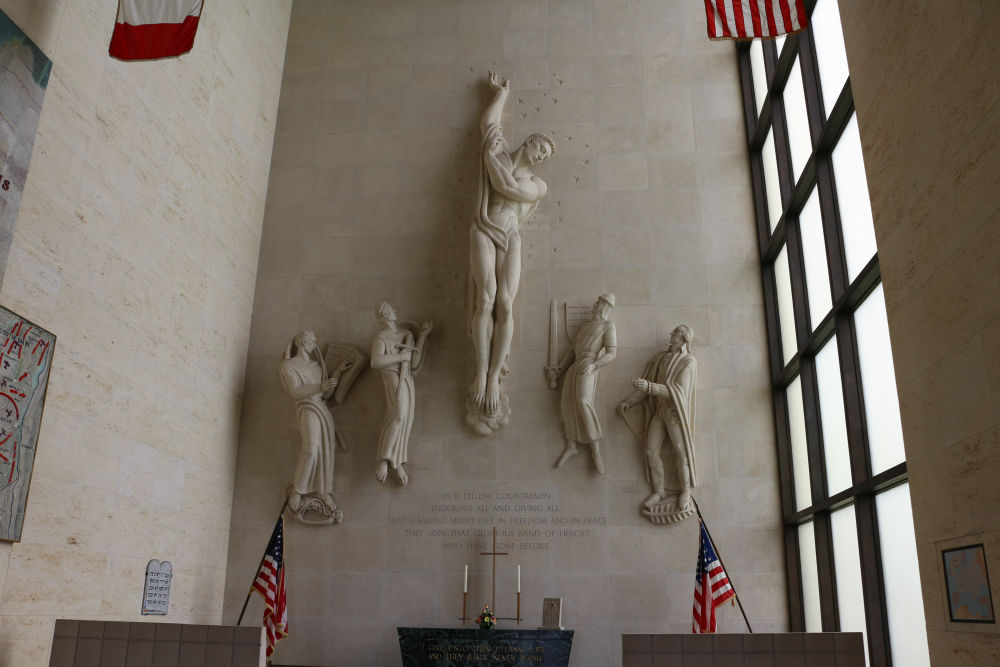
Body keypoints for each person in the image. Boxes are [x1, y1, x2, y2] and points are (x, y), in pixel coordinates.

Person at [469, 71, 555, 420]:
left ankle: (494, 378)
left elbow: (506, 187)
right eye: (541, 148)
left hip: (510, 235)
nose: (541, 157)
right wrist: (501, 95)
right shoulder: (500, 150)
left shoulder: (537, 184)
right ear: (531, 140)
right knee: (485, 298)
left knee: (505, 303)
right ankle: (480, 370)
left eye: (546, 156)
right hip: (483, 229)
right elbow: (487, 125)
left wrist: (490, 159)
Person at [617, 325, 698, 511]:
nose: (671, 334)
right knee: (650, 452)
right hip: (659, 412)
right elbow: (647, 388)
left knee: (681, 452)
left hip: (674, 413)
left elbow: (679, 391)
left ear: (684, 337)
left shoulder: (688, 361)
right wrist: (629, 401)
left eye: (675, 332)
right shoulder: (660, 359)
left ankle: (685, 490)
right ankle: (658, 491)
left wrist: (649, 387)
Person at [279, 331, 352, 520]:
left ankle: (323, 490)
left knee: (325, 452)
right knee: (311, 449)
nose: (314, 345)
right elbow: (295, 392)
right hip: (307, 407)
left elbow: (325, 395)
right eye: (311, 342)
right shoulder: (289, 365)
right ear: (302, 342)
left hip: (321, 408)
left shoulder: (316, 367)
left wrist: (337, 373)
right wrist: (320, 387)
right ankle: (298, 490)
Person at [546, 294, 617, 474]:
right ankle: (571, 445)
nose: (595, 304)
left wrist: (594, 365)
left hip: (589, 364)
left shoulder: (608, 326)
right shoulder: (585, 326)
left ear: (605, 305)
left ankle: (595, 452)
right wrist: (559, 369)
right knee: (568, 405)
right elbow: (572, 350)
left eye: (599, 302)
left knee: (584, 402)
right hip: (575, 365)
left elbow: (611, 353)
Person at [371, 302, 433, 486]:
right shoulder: (382, 338)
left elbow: (413, 363)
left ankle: (396, 462)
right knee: (397, 416)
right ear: (384, 315)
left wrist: (422, 336)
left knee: (405, 419)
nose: (395, 311)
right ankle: (383, 460)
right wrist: (399, 357)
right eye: (391, 309)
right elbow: (375, 361)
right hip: (392, 378)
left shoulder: (406, 335)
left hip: (406, 379)